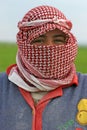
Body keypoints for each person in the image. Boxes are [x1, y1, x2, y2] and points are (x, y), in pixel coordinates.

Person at [0, 5, 87, 130]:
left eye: (58, 40)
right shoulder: (2, 87)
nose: (50, 48)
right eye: (39, 40)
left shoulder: (84, 88)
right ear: (24, 44)